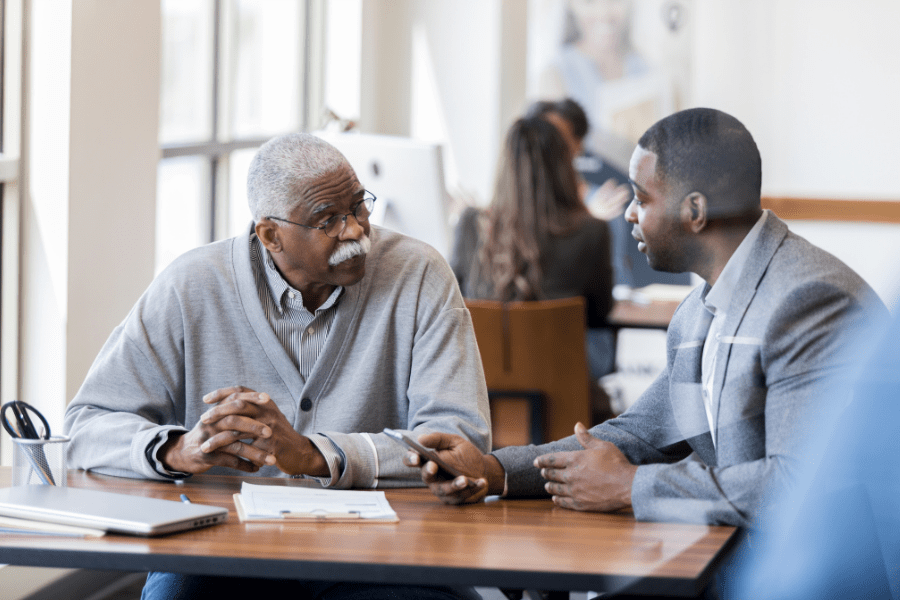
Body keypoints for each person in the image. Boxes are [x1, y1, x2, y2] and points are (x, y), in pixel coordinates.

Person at [409, 108, 887, 532]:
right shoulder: (698, 311)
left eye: (641, 198)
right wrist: (494, 471)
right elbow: (639, 433)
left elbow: (796, 484)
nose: (629, 215)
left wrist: (632, 486)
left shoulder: (809, 301)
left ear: (695, 210)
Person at [64, 133, 490, 600]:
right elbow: (85, 425)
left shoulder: (421, 274)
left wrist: (317, 456)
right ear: (270, 235)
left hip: (385, 555)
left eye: (358, 206)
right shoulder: (190, 285)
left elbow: (461, 440)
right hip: (223, 551)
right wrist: (176, 451)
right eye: (328, 220)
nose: (355, 231)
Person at [449, 116, 617, 396]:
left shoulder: (470, 224)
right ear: (564, 166)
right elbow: (600, 314)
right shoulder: (592, 232)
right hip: (565, 402)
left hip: (480, 403)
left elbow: (452, 303)